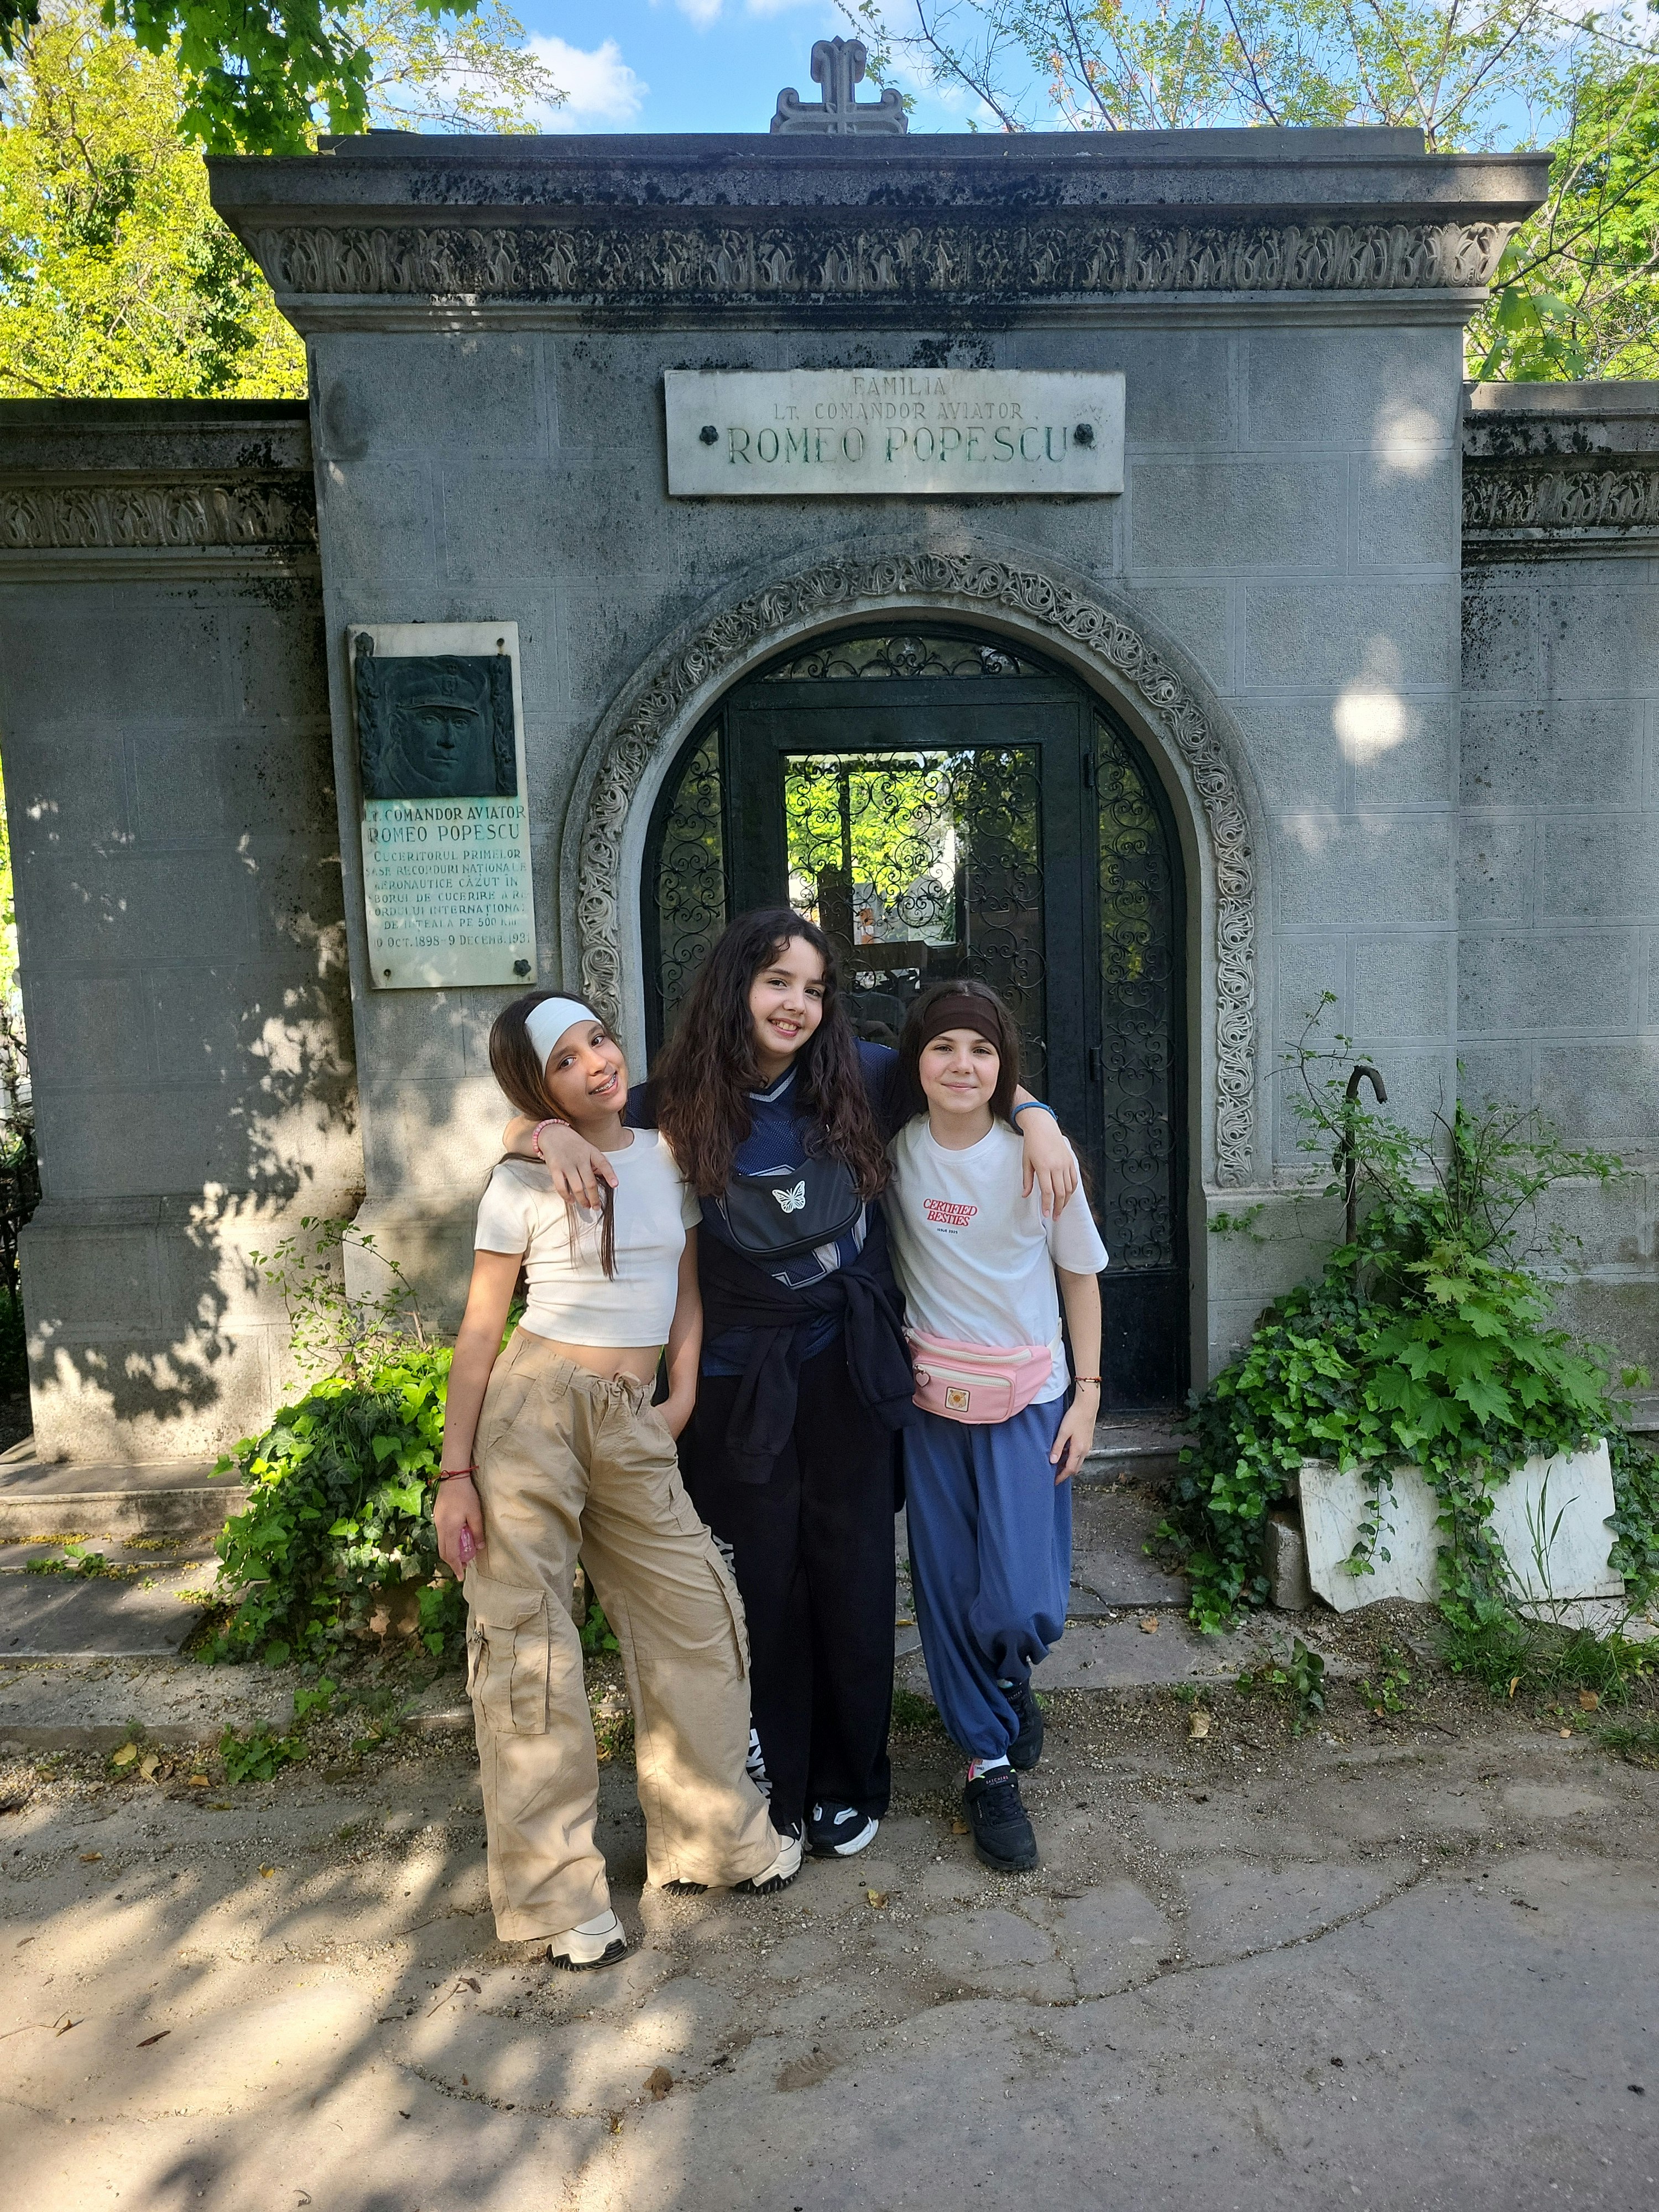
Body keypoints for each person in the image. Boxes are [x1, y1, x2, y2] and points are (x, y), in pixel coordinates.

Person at [518, 912, 1079, 1867]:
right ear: (738, 984)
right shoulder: (668, 1101)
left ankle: (850, 1783)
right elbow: (564, 1114)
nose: (798, 1005)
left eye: (816, 990)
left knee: (853, 1574)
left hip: (848, 1372)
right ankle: (774, 1773)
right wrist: (539, 1131)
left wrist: (1037, 1116)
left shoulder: (857, 1073)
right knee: (759, 1584)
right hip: (737, 1383)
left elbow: (970, 1073)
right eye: (780, 982)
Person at [432, 990, 799, 1974]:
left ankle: (714, 1842)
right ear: (536, 1087)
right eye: (564, 1061)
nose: (595, 1062)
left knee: (695, 1611)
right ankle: (556, 1898)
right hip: (533, 1413)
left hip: (634, 1420)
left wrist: (678, 1395)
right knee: (528, 1646)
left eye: (597, 1039)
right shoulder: (521, 1176)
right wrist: (455, 1474)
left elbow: (683, 1285)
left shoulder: (667, 1152)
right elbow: (479, 1331)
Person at [883, 979, 1107, 1875]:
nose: (962, 1065)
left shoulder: (1037, 1159)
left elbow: (1081, 1276)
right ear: (918, 1063)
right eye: (944, 1048)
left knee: (1025, 1600)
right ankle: (986, 1761)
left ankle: (1012, 1675)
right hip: (932, 1403)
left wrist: (1087, 1395)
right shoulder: (891, 1153)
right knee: (944, 1589)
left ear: (1004, 1066)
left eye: (981, 1050)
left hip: (1031, 1399)